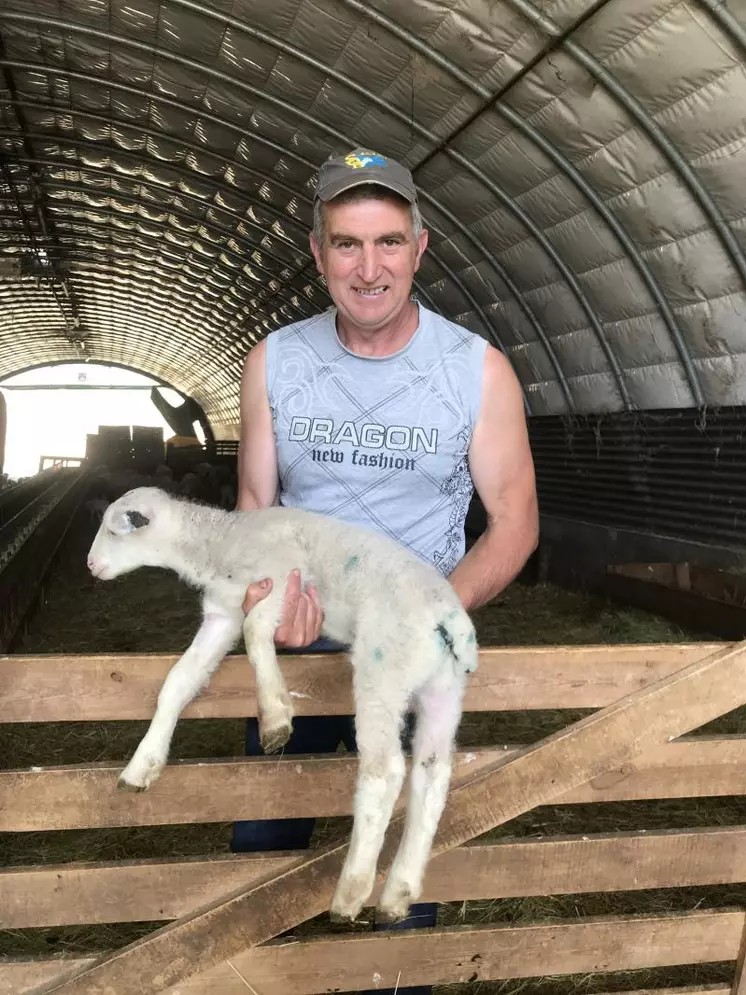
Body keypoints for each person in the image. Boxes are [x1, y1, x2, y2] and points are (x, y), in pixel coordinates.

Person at [230, 147, 539, 995]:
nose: (369, 268)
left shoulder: (474, 369)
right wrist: (272, 592)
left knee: (406, 860)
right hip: (299, 643)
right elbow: (257, 501)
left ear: (421, 246)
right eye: (347, 244)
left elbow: (514, 522)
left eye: (388, 243)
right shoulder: (274, 362)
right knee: (265, 846)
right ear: (317, 250)